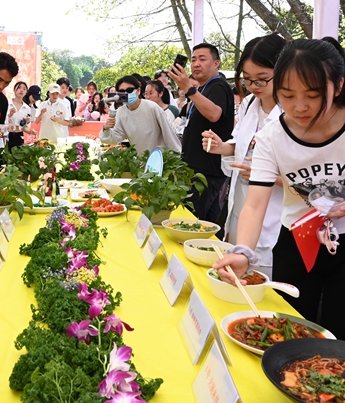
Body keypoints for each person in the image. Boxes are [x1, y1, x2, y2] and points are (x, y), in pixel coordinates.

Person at [214, 39, 345, 344]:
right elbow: (255, 204)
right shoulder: (272, 137)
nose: (299, 107)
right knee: (291, 334)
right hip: (296, 244)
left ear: (338, 85)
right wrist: (244, 252)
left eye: (313, 95)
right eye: (287, 95)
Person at [201, 33, 285, 277]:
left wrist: (266, 175)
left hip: (273, 212)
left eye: (262, 79)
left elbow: (303, 178)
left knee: (263, 278)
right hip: (241, 202)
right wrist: (221, 146)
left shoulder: (293, 114)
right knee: (237, 267)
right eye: (247, 80)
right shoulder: (249, 104)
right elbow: (239, 144)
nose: (253, 86)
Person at [169, 43, 236, 225]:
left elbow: (214, 114)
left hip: (206, 170)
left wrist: (189, 89)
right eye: (193, 60)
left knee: (192, 223)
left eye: (202, 59)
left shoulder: (218, 86)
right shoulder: (206, 88)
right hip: (198, 169)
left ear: (216, 63)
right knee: (208, 223)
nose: (196, 64)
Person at [99, 75, 181, 153]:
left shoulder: (152, 107)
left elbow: (169, 135)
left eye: (129, 90)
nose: (126, 94)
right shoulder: (121, 112)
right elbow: (115, 138)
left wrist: (176, 157)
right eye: (121, 91)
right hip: (140, 161)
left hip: (160, 159)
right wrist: (106, 129)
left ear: (138, 90)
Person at [7, 81, 34, 148]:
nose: (21, 90)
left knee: (18, 156)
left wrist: (27, 122)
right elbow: (2, 121)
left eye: (24, 89)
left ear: (26, 92)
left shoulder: (27, 108)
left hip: (19, 135)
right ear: (14, 90)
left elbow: (25, 127)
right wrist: (10, 115)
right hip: (7, 135)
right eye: (19, 88)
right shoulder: (7, 103)